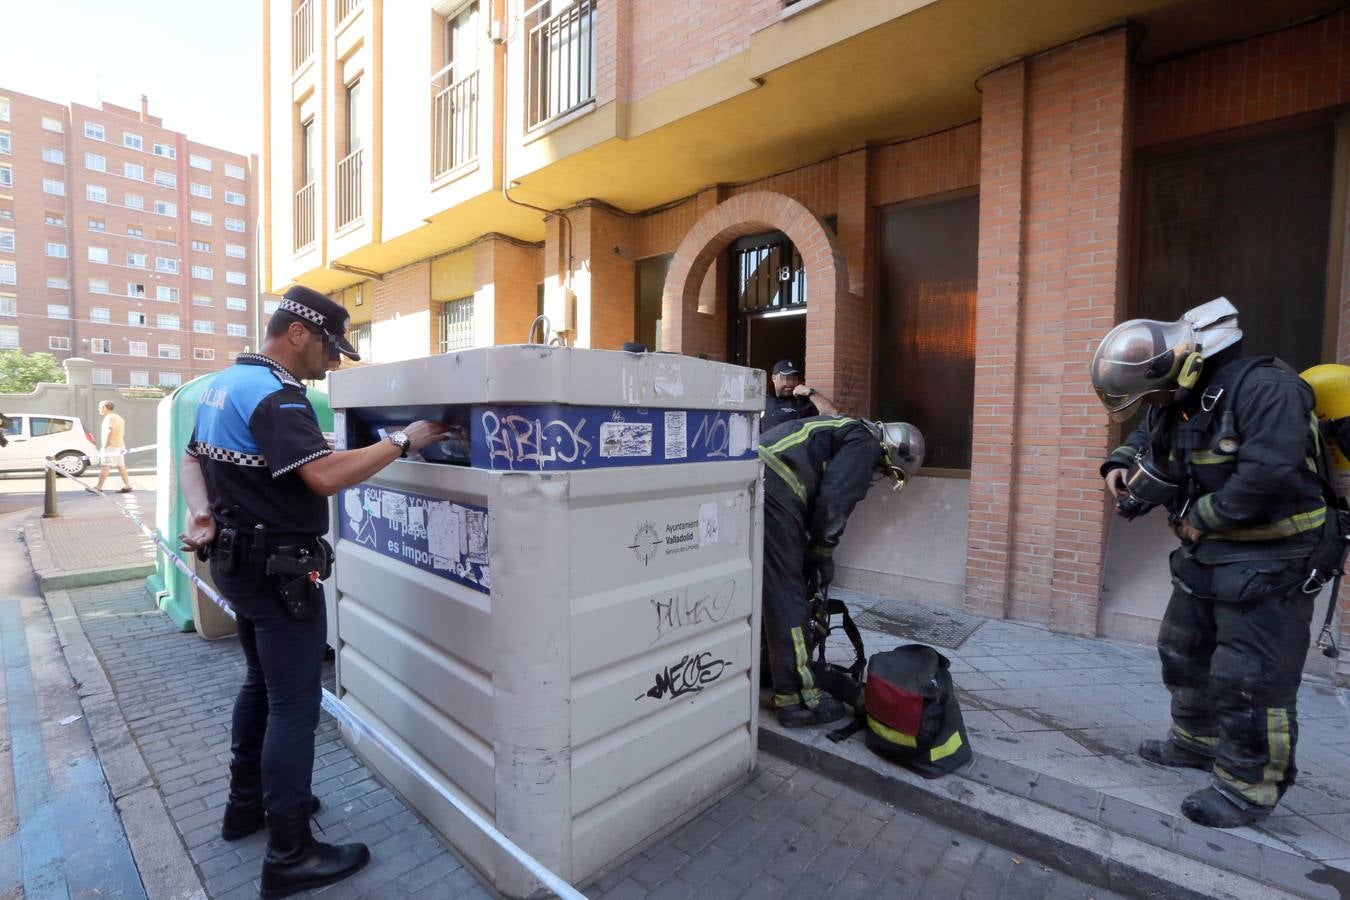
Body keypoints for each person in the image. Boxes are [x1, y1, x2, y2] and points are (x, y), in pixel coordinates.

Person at [178, 284, 448, 898]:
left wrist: (203, 516)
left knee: (260, 685)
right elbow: (324, 479)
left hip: (237, 566)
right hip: (279, 576)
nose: (333, 360)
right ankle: (290, 852)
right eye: (330, 346)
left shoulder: (224, 385)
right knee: (295, 706)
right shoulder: (278, 397)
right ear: (298, 333)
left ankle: (246, 806)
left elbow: (192, 458)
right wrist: (401, 441)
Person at [1092, 297, 1326, 828]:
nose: (1150, 400)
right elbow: (1150, 435)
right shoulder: (1181, 395)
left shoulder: (1269, 390)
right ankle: (1196, 740)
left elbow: (1272, 473)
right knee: (1182, 648)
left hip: (1273, 557)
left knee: (1250, 675)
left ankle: (1248, 788)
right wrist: (1120, 465)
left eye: (1150, 390)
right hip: (1208, 551)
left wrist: (1204, 515)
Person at [758, 414, 923, 727]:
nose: (876, 475)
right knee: (788, 596)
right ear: (888, 453)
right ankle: (797, 700)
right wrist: (822, 553)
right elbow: (834, 503)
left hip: (767, 483)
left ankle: (769, 666)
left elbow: (819, 496)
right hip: (776, 487)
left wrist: (813, 553)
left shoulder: (846, 430)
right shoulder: (865, 443)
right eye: (884, 471)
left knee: (773, 589)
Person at [762, 359, 838, 431]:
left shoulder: (804, 401)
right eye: (786, 378)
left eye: (794, 378)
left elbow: (833, 413)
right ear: (774, 378)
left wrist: (811, 392)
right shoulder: (764, 400)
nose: (791, 383)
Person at [93, 400, 135, 493]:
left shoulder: (109, 418)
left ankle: (98, 487)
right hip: (119, 445)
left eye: (100, 407)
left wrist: (105, 446)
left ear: (105, 407)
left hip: (111, 447)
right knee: (121, 466)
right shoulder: (118, 417)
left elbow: (110, 431)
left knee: (105, 466)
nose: (98, 409)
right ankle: (127, 486)